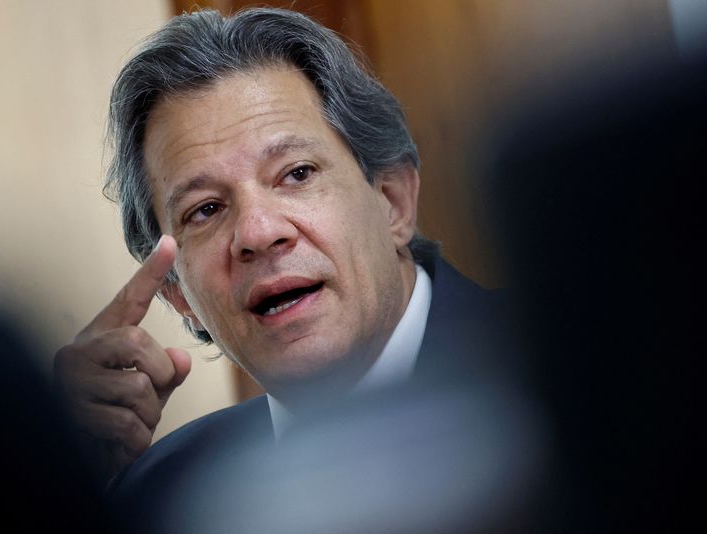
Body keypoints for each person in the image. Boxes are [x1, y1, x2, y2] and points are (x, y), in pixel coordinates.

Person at [54, 6, 511, 530]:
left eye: (296, 174)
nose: (257, 232)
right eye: (205, 210)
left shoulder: (577, 364)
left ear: (393, 202)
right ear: (178, 295)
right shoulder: (161, 497)